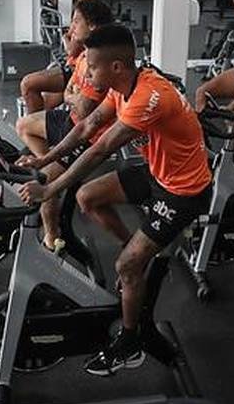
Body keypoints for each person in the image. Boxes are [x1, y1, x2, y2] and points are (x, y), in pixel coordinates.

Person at [17, 25, 212, 376]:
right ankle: (135, 258)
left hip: (184, 191)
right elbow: (87, 125)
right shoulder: (122, 87)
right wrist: (45, 159)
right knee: (87, 197)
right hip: (158, 174)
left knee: (125, 266)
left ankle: (130, 341)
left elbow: (100, 149)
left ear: (117, 67)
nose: (87, 74)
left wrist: (50, 189)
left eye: (92, 67)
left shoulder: (148, 98)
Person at [15, 0, 114, 248]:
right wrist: (72, 97)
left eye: (77, 21)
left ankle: (52, 237)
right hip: (71, 120)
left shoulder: (98, 61)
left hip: (87, 135)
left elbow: (83, 107)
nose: (71, 27)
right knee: (24, 125)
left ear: (92, 27)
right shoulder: (83, 55)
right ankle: (55, 166)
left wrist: (72, 97)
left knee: (45, 181)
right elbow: (70, 93)